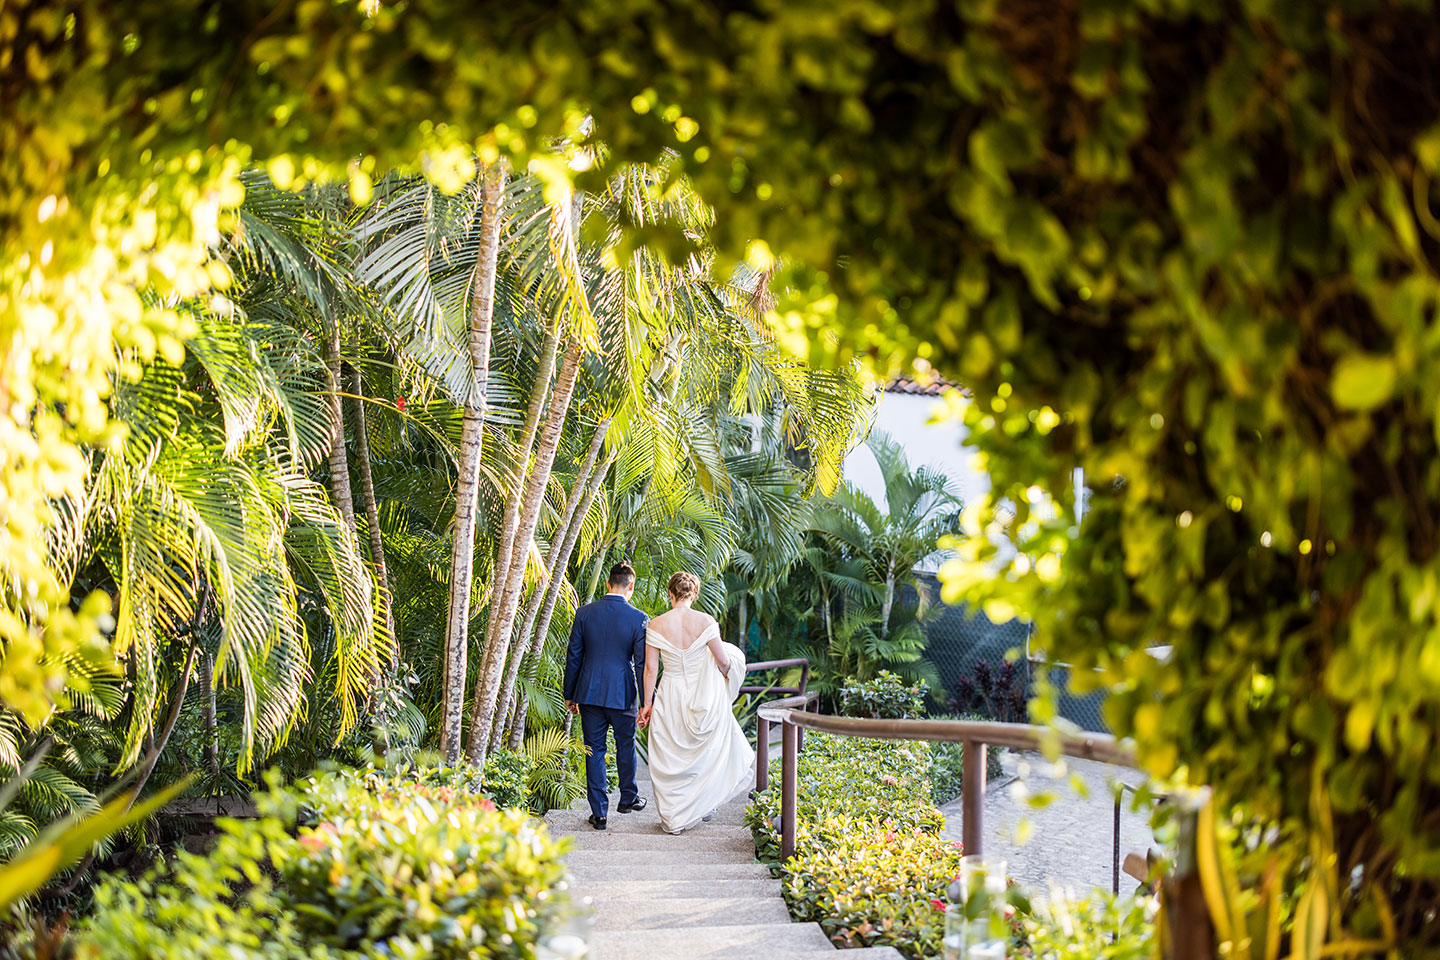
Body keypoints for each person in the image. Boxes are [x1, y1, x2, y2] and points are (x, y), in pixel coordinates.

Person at [639, 571, 754, 834]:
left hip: (670, 691)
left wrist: (647, 703)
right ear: (694, 594)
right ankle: (701, 804)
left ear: (671, 594)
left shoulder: (656, 624)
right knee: (702, 752)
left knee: (670, 752)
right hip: (702, 694)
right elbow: (723, 661)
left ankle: (673, 819)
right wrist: (727, 676)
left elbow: (650, 670)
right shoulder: (706, 621)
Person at [564, 562, 649, 830]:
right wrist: (646, 702)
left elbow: (574, 656)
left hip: (589, 693)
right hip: (623, 693)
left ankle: (599, 814)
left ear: (607, 583)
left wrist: (570, 693)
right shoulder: (638, 618)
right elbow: (641, 663)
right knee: (626, 745)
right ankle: (627, 798)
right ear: (631, 586)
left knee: (595, 751)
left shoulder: (585, 613)